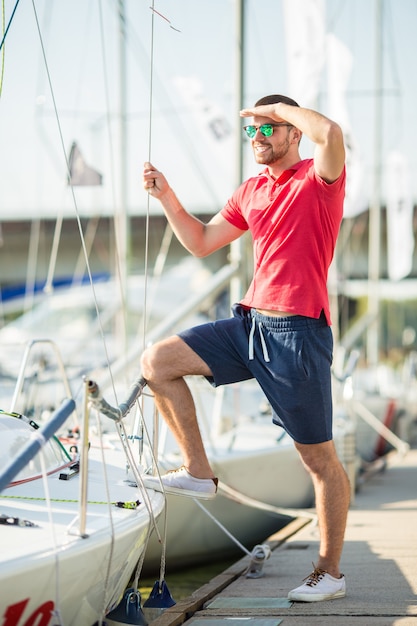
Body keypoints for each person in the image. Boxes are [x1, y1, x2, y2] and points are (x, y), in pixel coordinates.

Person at [141, 94, 350, 602]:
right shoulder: (252, 190)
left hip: (298, 334)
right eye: (251, 131)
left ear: (291, 133)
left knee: (317, 459)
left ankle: (330, 572)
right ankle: (198, 470)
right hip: (248, 325)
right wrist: (168, 195)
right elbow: (201, 241)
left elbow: (330, 134)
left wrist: (280, 109)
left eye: (267, 129)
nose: (256, 138)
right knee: (158, 362)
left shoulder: (319, 179)